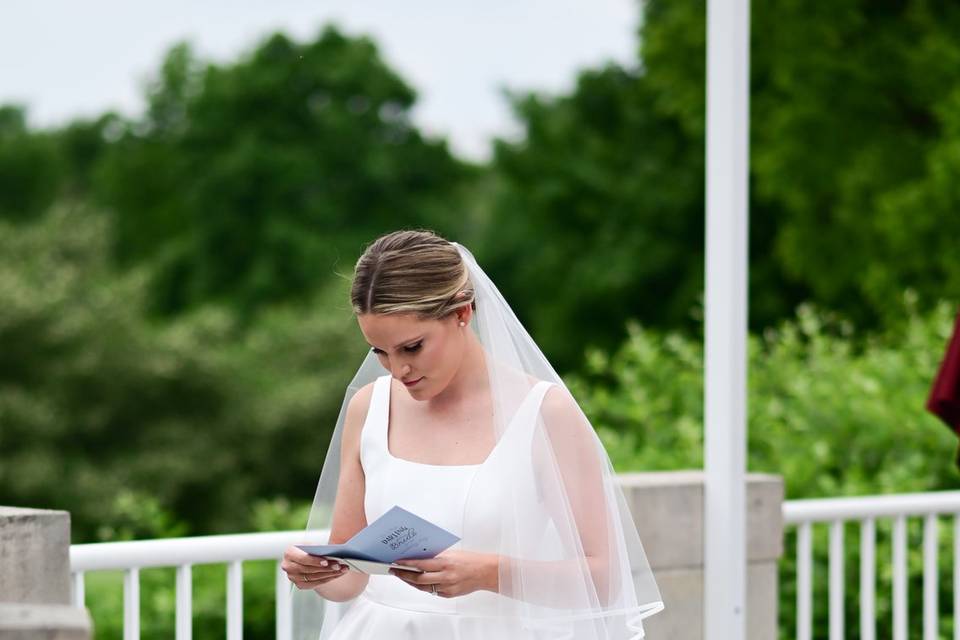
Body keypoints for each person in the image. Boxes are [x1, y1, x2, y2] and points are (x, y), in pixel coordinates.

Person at [282, 230, 663, 639]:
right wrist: (317, 572)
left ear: (462, 313)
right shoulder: (369, 409)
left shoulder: (543, 414)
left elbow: (606, 580)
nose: (397, 370)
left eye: (412, 348)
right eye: (380, 352)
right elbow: (350, 579)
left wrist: (487, 572)